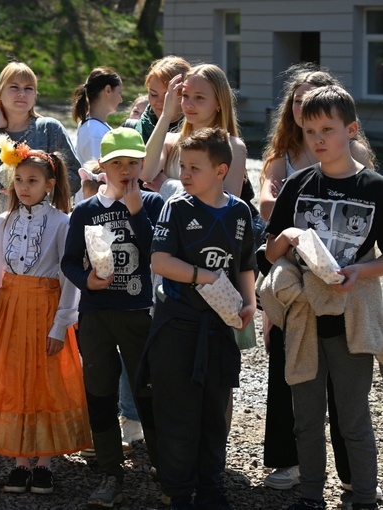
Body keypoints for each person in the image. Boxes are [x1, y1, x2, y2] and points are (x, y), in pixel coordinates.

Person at [257, 64, 378, 494]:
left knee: (353, 417)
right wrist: (286, 236)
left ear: (352, 129)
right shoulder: (297, 184)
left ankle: (364, 497)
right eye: (310, 132)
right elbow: (268, 253)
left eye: (327, 129)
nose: (319, 139)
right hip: (303, 316)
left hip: (351, 317)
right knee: (305, 417)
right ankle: (309, 495)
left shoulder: (374, 187)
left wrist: (359, 272)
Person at [147, 127, 257, 510]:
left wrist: (248, 304)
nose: (186, 175)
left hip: (220, 329)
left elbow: (246, 265)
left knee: (214, 414)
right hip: (178, 327)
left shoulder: (240, 212)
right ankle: (180, 493)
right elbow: (160, 261)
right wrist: (204, 276)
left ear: (221, 170)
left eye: (195, 167)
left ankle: (212, 489)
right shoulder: (175, 207)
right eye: (182, 166)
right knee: (179, 415)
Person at [0, 137, 90, 495]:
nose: (24, 187)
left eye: (32, 181)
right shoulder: (1, 222)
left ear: (50, 185)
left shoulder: (62, 223)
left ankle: (44, 462)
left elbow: (70, 276)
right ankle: (20, 461)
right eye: (19, 180)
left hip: (46, 309)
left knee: (46, 379)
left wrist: (62, 323)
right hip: (10, 310)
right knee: (13, 378)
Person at [62, 127, 165, 508]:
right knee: (100, 393)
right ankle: (110, 472)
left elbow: (157, 254)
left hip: (138, 313)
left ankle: (164, 466)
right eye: (116, 163)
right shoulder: (87, 210)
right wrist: (86, 280)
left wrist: (137, 212)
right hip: (97, 315)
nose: (125, 170)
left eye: (132, 163)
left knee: (147, 392)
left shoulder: (152, 204)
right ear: (102, 166)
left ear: (142, 165)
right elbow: (69, 260)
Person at [0, 61, 80, 255]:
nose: (22, 93)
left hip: (38, 228)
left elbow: (74, 177)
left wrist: (33, 192)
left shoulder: (49, 129)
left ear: (35, 95)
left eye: (29, 89)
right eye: (14, 87)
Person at [141, 63, 248, 202]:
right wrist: (166, 115)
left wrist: (166, 185)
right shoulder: (170, 141)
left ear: (219, 103)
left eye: (199, 97)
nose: (189, 104)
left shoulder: (234, 147)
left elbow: (226, 204)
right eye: (185, 96)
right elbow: (145, 174)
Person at [71, 67, 123, 167]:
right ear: (108, 90)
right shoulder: (94, 131)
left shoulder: (95, 126)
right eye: (119, 93)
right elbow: (96, 173)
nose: (121, 100)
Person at [132, 56, 191, 143]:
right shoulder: (134, 130)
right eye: (153, 94)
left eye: (168, 96)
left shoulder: (199, 133)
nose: (159, 102)